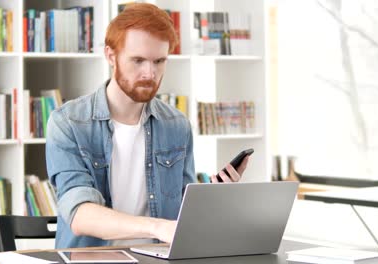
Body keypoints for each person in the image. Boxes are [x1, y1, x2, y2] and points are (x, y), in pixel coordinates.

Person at [45, 3, 249, 249]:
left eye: (159, 61)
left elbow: (181, 215)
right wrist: (156, 226)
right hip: (92, 258)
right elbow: (80, 213)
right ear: (111, 56)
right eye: (138, 60)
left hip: (157, 257)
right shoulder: (68, 123)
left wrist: (211, 200)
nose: (149, 73)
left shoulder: (176, 125)